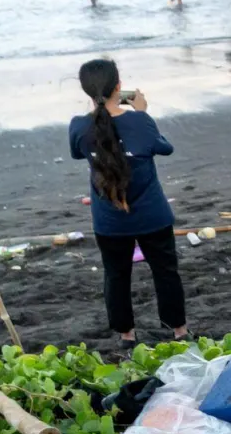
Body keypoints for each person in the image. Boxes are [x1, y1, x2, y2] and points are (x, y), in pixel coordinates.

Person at [69, 59, 188, 347]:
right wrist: (141, 111)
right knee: (165, 271)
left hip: (109, 219)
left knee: (117, 274)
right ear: (119, 87)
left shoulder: (79, 127)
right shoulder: (139, 121)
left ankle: (126, 335)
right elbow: (164, 147)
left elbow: (77, 152)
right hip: (151, 215)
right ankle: (179, 331)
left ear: (87, 91)